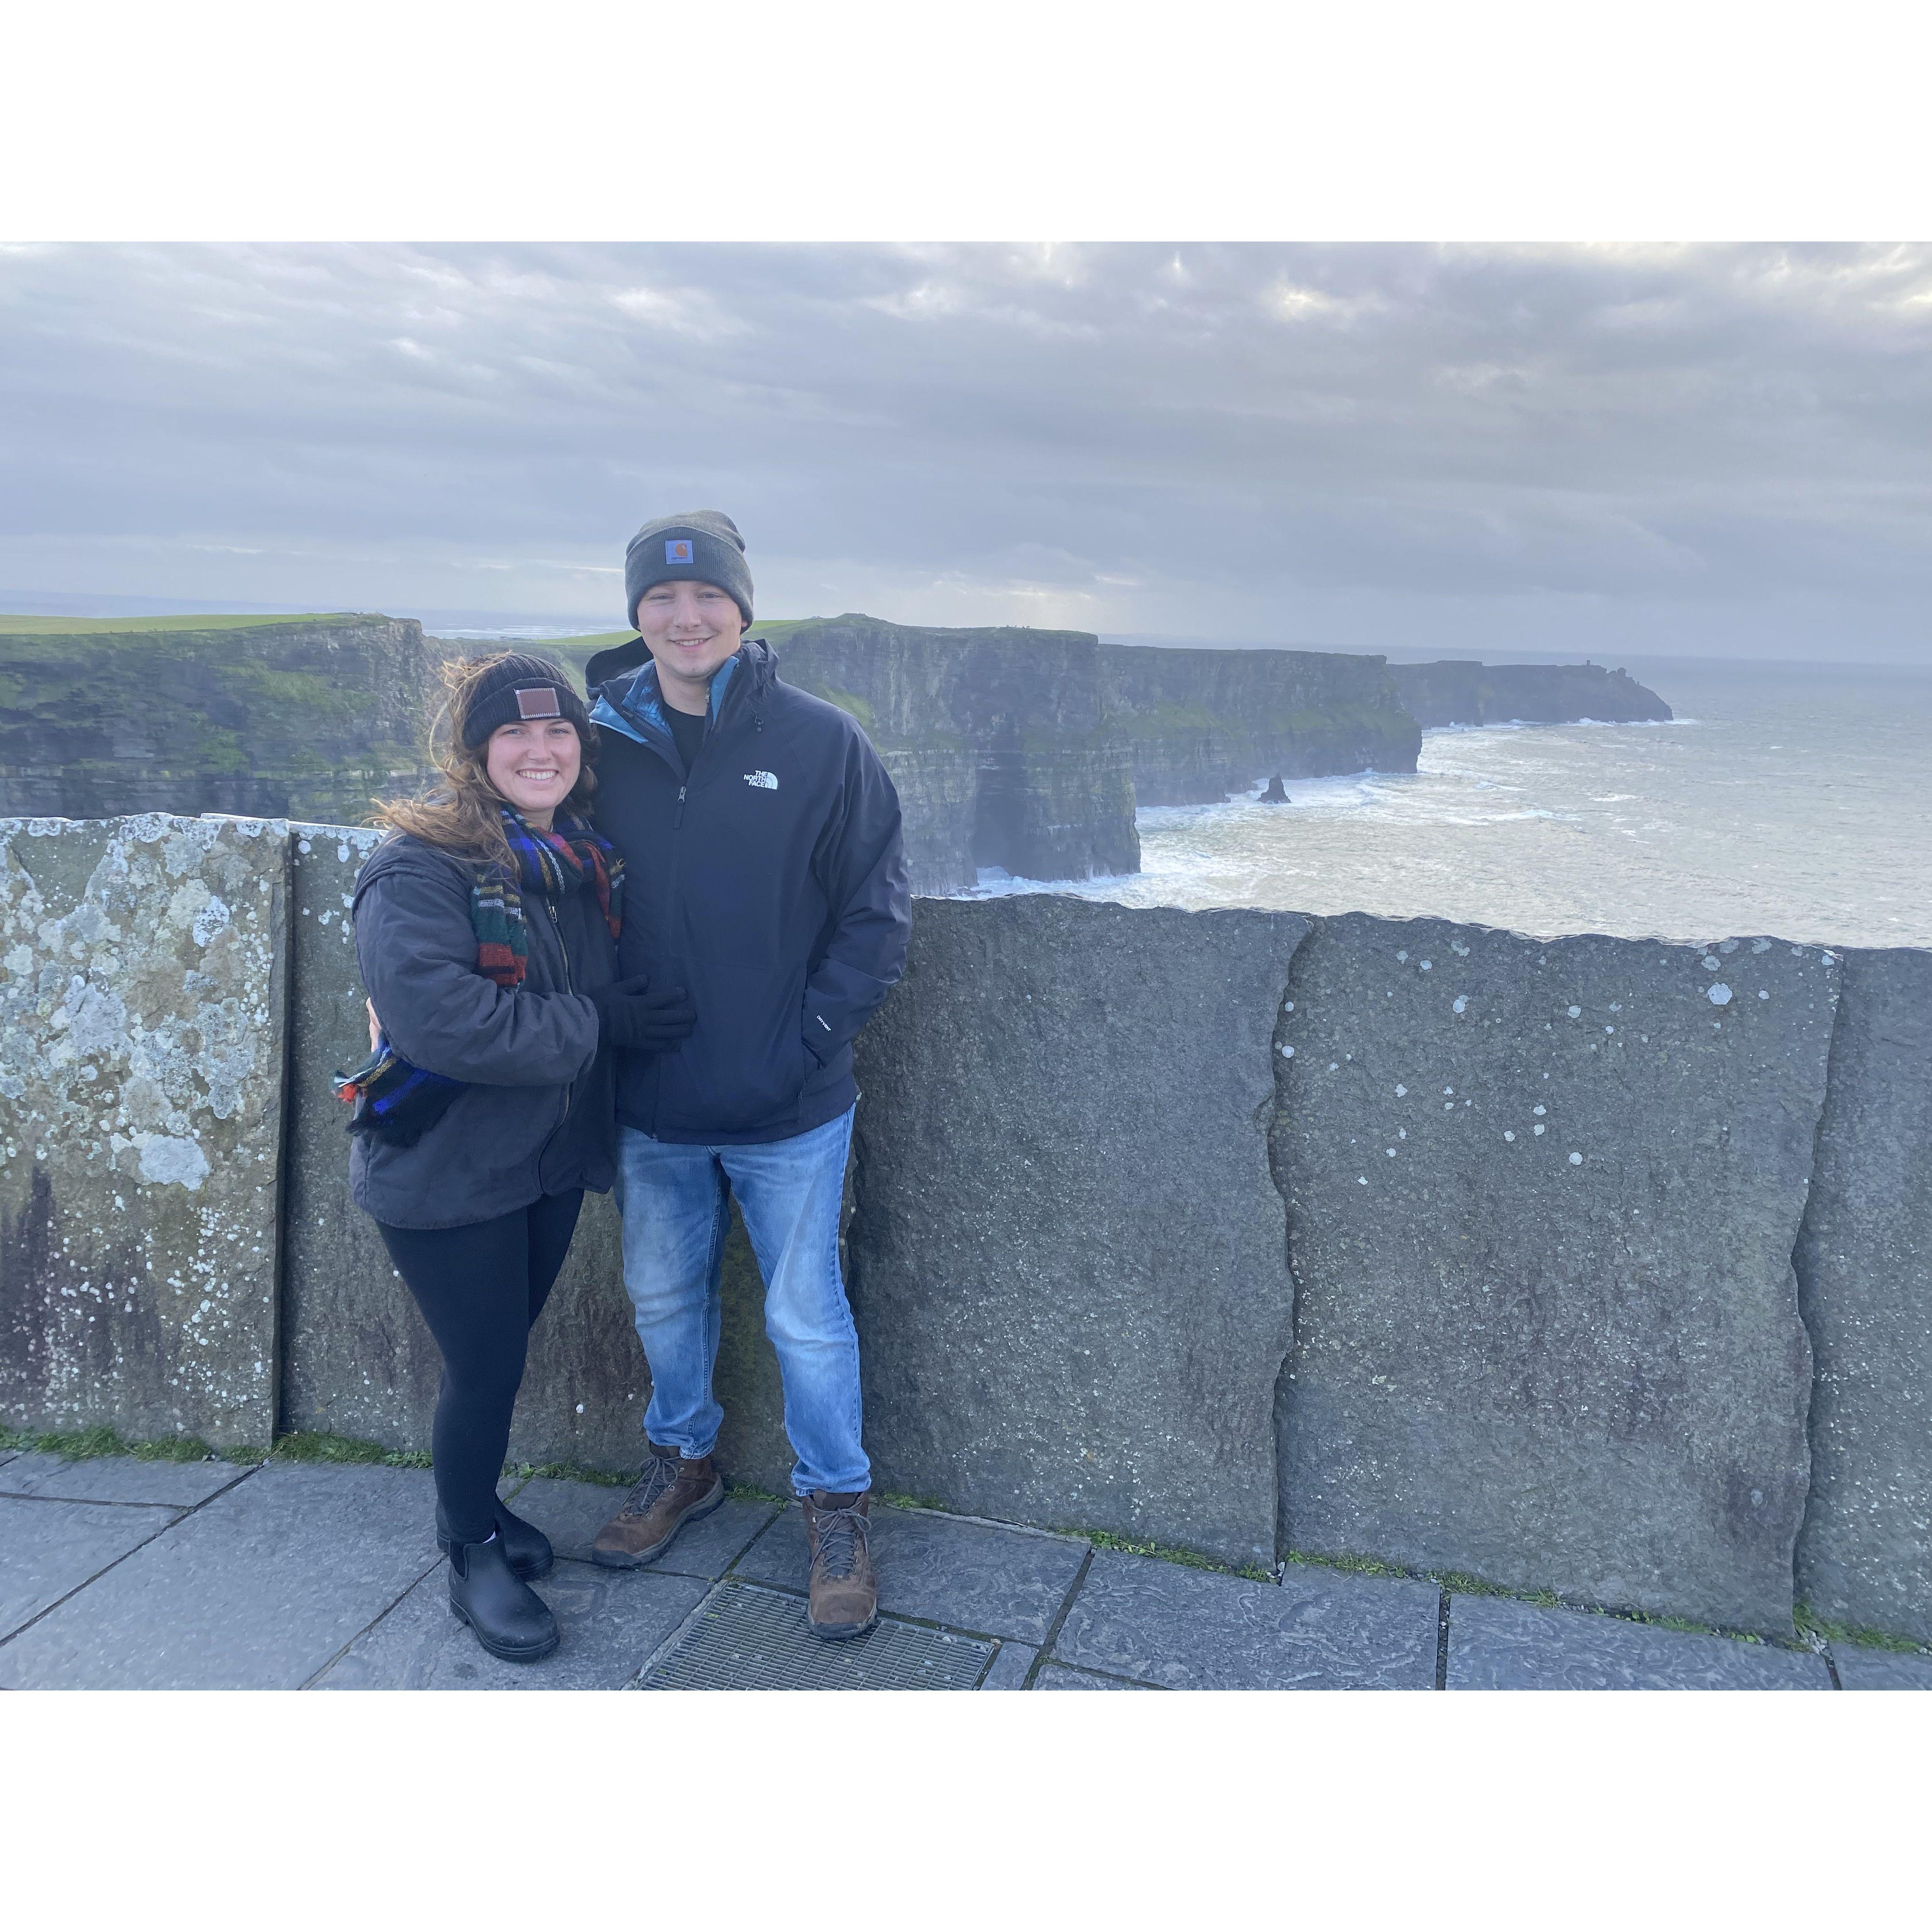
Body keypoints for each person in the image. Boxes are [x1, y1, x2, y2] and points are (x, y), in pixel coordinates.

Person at [583, 510, 911, 1639]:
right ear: (636, 614)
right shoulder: (597, 744)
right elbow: (530, 872)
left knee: (807, 1315)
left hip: (789, 1103)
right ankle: (686, 1462)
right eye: (662, 599)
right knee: (664, 1297)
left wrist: (804, 1039)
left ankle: (836, 1502)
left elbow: (877, 914)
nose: (685, 617)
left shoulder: (823, 742)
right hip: (651, 1097)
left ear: (742, 607)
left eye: (706, 597)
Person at [343, 651, 695, 1663]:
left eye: (558, 733)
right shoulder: (416, 868)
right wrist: (601, 1021)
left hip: (541, 1162)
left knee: (497, 1357)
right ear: (475, 751)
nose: (540, 750)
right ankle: (469, 1553)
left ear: (581, 751)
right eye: (514, 733)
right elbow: (449, 1024)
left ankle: (479, 1510)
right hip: (444, 1171)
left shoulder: (578, 864)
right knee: (486, 1366)